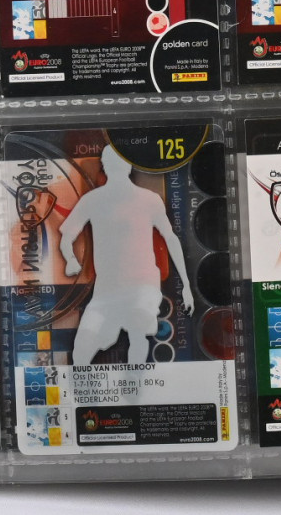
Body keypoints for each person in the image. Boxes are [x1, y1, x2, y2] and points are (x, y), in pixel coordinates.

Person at [60, 147, 192, 363]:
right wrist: (70, 259)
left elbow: (170, 238)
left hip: (142, 286)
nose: (116, 168)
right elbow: (67, 237)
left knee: (137, 333)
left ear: (128, 167)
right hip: (106, 290)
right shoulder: (92, 200)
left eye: (120, 163)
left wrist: (186, 285)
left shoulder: (149, 200)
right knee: (81, 349)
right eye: (112, 164)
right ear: (105, 167)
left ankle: (136, 381)